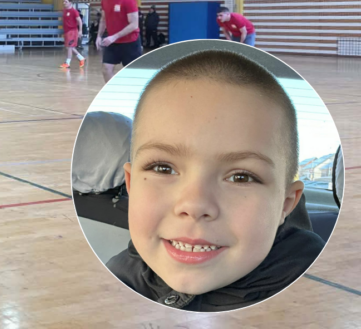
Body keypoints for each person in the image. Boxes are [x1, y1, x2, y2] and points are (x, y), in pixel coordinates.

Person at [108, 49, 323, 312]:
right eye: (163, 169)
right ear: (131, 185)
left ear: (285, 204)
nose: (194, 205)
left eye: (241, 177)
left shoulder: (319, 301)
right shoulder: (115, 280)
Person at [97, 0, 141, 82]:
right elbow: (103, 19)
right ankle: (113, 91)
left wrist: (114, 36)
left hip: (130, 42)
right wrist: (99, 36)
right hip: (112, 42)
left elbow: (134, 24)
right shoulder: (104, 0)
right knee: (106, 69)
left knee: (132, 74)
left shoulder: (128, 0)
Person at [60, 0, 85, 69]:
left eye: (66, 2)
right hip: (66, 31)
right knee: (69, 47)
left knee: (70, 47)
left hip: (72, 31)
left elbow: (80, 21)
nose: (64, 3)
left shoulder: (74, 11)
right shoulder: (64, 10)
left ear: (70, 2)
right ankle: (81, 58)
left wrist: (80, 31)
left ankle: (67, 63)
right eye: (63, 1)